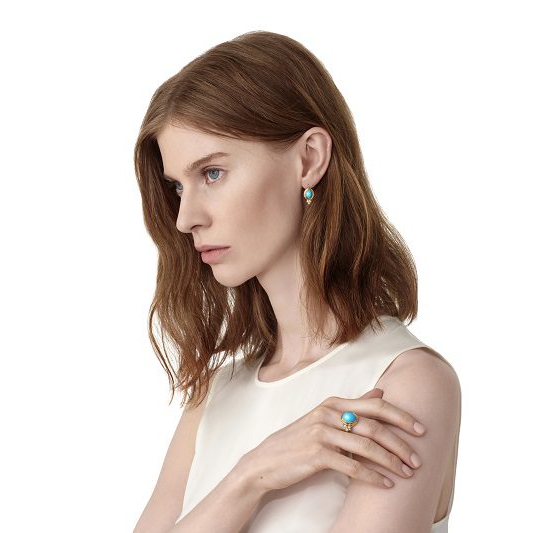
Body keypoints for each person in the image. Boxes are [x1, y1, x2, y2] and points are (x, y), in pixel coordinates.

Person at [132, 30, 461, 533]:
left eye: (213, 173)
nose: (185, 217)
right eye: (178, 186)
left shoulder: (403, 385)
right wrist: (252, 476)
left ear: (309, 159)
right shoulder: (215, 396)